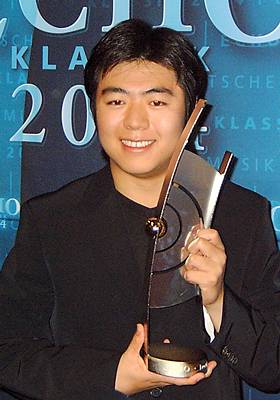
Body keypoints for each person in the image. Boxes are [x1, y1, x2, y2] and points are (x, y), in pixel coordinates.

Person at [0, 18, 279, 400]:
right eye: (116, 100)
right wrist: (110, 376)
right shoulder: (51, 220)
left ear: (192, 112)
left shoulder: (243, 215)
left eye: (157, 101)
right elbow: (8, 351)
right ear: (94, 107)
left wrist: (217, 300)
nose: (134, 121)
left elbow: (272, 367)